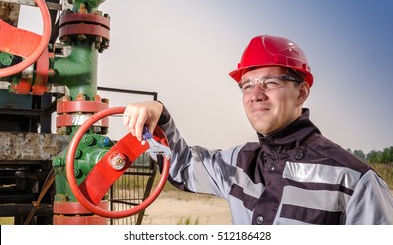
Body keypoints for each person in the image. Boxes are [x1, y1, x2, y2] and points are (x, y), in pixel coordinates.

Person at [123, 34, 393, 225]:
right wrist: (158, 115)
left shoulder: (354, 180)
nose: (256, 94)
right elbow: (182, 167)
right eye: (247, 85)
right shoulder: (239, 163)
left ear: (302, 93)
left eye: (271, 82)